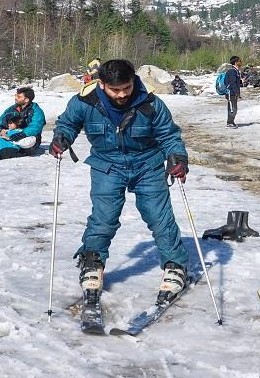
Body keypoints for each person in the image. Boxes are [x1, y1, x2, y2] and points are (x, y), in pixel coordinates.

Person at [50, 59, 191, 312]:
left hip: (147, 164)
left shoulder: (149, 103)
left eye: (126, 87)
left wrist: (177, 157)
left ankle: (175, 265)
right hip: (107, 165)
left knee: (160, 217)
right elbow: (68, 123)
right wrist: (62, 137)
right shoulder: (85, 102)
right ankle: (92, 260)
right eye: (116, 90)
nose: (123, 94)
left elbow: (169, 135)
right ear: (101, 84)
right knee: (103, 217)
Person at [224, 56, 243, 128]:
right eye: (239, 61)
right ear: (236, 62)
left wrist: (241, 82)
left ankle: (231, 122)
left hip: (233, 92)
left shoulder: (235, 70)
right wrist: (236, 93)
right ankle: (229, 123)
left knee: (234, 108)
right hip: (230, 93)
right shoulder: (232, 71)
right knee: (232, 108)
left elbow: (236, 82)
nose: (241, 62)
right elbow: (232, 82)